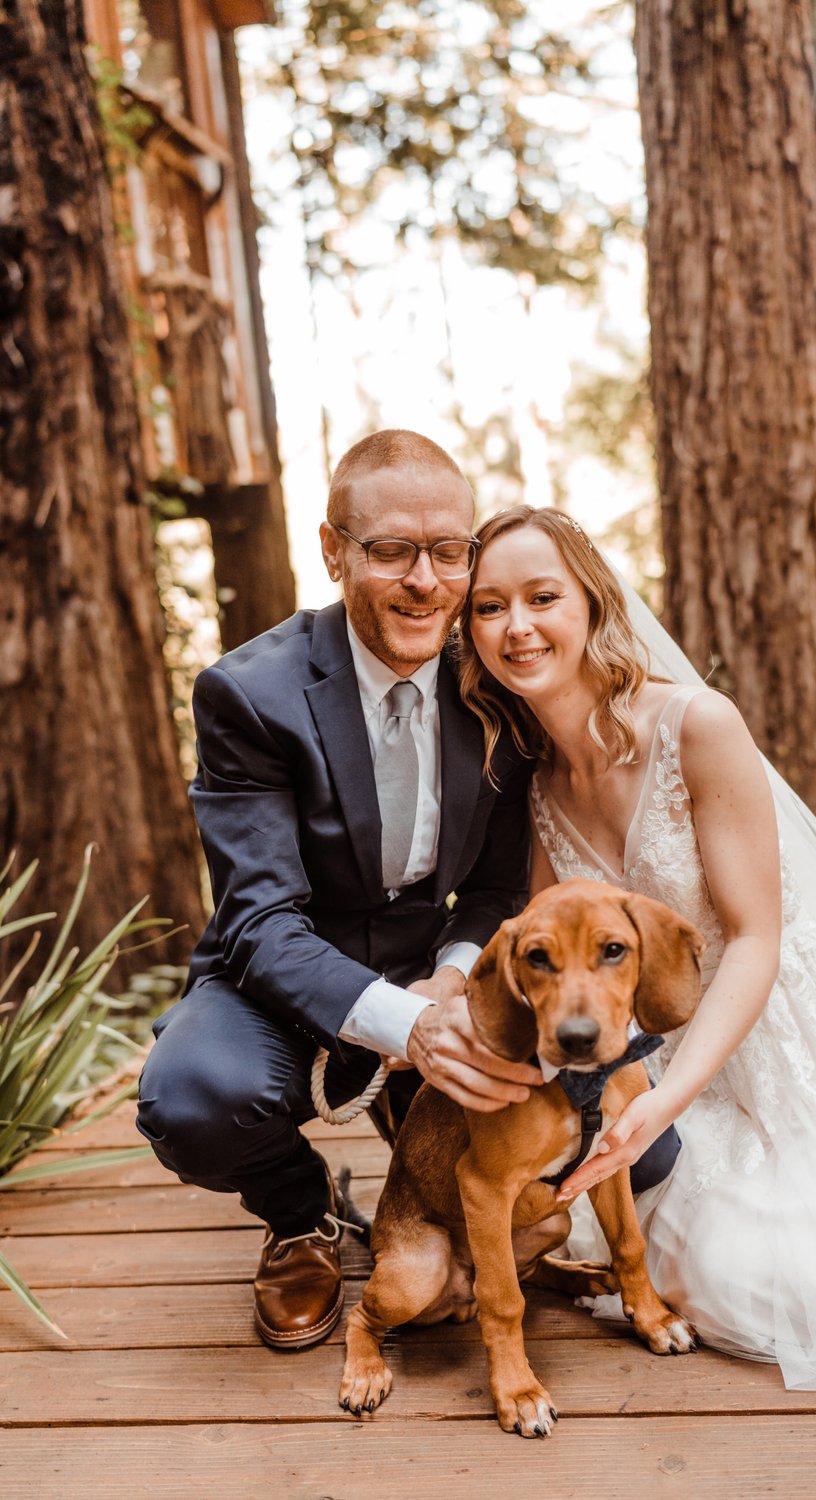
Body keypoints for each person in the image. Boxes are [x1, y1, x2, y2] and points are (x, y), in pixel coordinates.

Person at [459, 502, 816, 1391]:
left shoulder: (695, 725)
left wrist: (666, 1100)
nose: (516, 627)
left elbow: (755, 939)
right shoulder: (537, 783)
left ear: (592, 602)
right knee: (690, 1251)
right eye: (488, 607)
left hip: (781, 1022)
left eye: (541, 597)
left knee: (812, 1285)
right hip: (656, 1043)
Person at [137, 432, 542, 1352]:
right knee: (194, 1101)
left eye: (450, 550)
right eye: (392, 549)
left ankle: (425, 1165)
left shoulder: (497, 684)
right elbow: (261, 922)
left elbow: (495, 887)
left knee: (639, 1158)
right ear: (334, 552)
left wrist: (450, 982)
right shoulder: (249, 694)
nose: (426, 582)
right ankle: (300, 1212)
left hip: (431, 969)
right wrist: (410, 1030)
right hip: (275, 975)